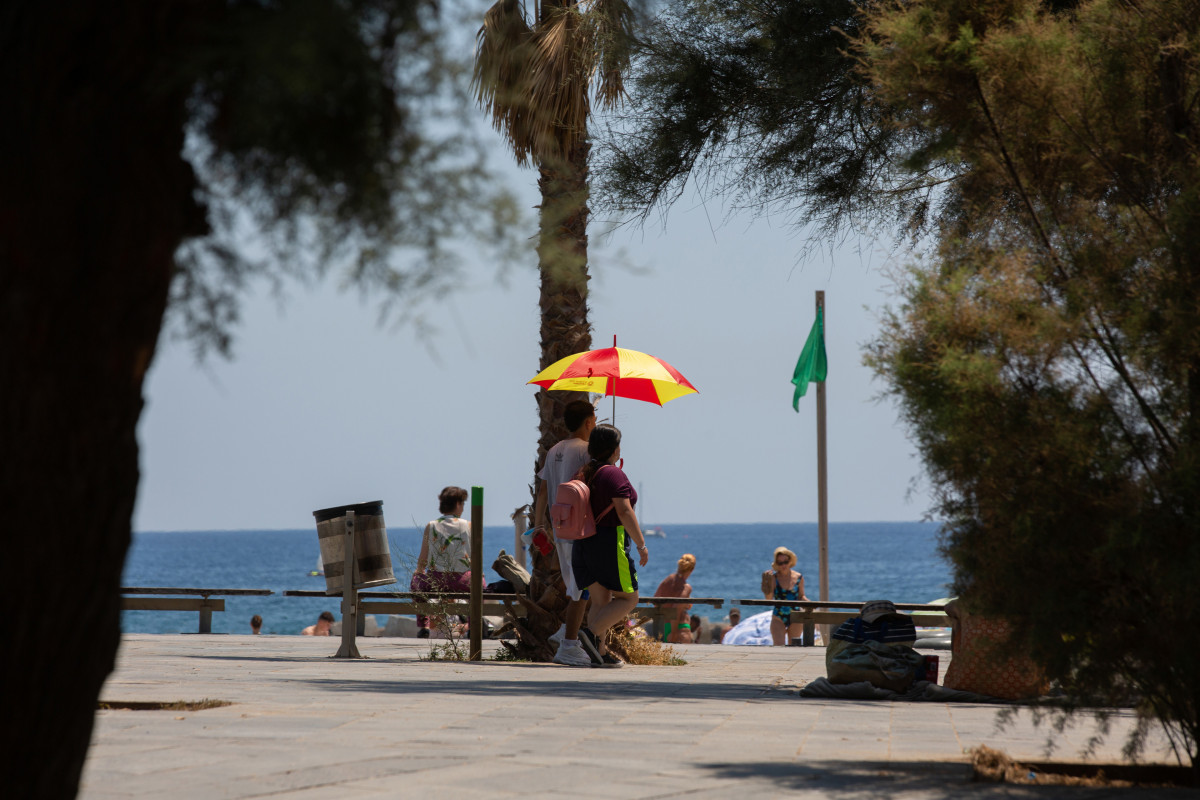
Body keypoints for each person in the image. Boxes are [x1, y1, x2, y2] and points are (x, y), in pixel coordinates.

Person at [572, 424, 649, 667]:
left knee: (601, 599)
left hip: (583, 542)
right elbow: (624, 511)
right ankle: (591, 633)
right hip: (609, 541)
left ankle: (600, 654)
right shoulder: (613, 474)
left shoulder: (584, 472)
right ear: (613, 449)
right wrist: (641, 544)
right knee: (629, 598)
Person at [531, 401, 600, 667]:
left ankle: (564, 632)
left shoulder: (554, 450)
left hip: (558, 529)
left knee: (576, 585)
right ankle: (568, 644)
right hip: (580, 529)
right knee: (581, 587)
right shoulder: (586, 451)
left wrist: (539, 526)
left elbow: (542, 491)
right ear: (588, 422)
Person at [411, 486, 472, 638]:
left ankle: (424, 623)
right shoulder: (468, 525)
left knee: (416, 583)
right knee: (480, 585)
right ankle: (472, 623)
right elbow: (475, 557)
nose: (463, 508)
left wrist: (417, 574)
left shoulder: (431, 526)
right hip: (462, 581)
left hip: (437, 580)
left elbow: (423, 560)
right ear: (457, 504)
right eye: (463, 504)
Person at [761, 546, 809, 645]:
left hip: (796, 615)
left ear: (790, 561)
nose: (783, 565)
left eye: (785, 562)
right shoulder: (774, 578)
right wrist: (767, 585)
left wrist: (809, 604)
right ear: (777, 564)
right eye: (780, 563)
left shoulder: (799, 577)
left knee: (794, 647)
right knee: (779, 647)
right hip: (779, 616)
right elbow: (769, 599)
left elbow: (801, 596)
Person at [654, 553, 695, 643]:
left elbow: (655, 600)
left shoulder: (668, 580)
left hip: (666, 625)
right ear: (692, 569)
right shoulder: (686, 588)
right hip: (679, 627)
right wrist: (673, 632)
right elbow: (677, 608)